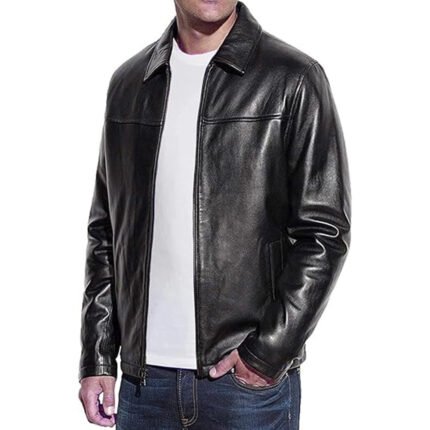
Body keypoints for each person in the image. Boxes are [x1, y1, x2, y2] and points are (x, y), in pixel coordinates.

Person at [78, 1, 351, 428]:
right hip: (143, 385)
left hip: (243, 387)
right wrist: (97, 356)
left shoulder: (292, 79)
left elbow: (324, 231)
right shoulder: (129, 84)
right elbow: (106, 230)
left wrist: (266, 354)